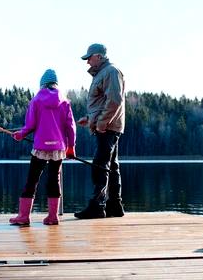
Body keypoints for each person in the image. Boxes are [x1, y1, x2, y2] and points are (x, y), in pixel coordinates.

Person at [9, 69, 77, 226]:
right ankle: (53, 217)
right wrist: (71, 146)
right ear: (56, 84)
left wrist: (21, 134)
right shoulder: (65, 101)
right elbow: (71, 126)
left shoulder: (36, 100)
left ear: (42, 84)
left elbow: (30, 124)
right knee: (54, 180)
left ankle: (24, 216)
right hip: (59, 148)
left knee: (32, 179)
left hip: (40, 147)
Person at [74, 43, 126, 219]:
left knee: (99, 166)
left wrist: (101, 124)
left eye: (89, 58)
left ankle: (98, 206)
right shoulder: (104, 73)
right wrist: (89, 119)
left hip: (107, 127)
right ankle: (114, 206)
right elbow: (103, 103)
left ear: (99, 56)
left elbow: (114, 102)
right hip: (107, 126)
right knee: (111, 166)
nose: (87, 62)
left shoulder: (110, 72)